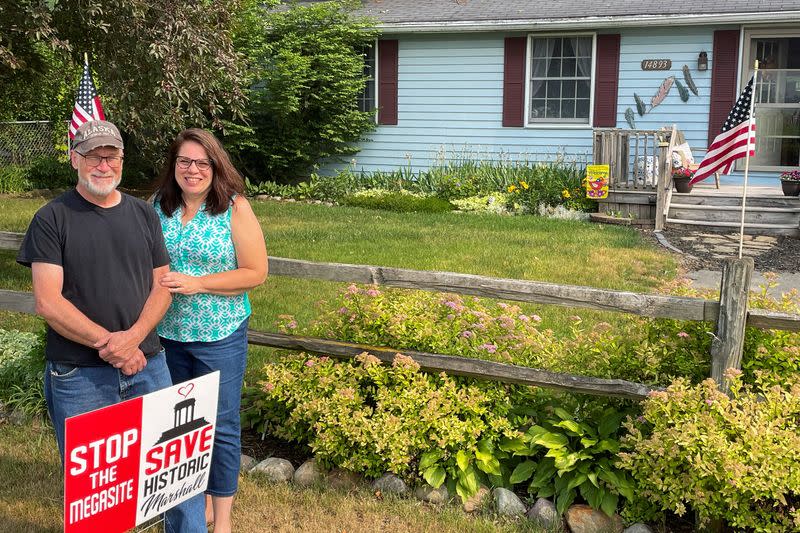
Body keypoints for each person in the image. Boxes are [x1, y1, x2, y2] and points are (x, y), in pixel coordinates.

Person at [16, 120, 205, 532]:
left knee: (177, 478)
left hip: (148, 364)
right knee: (97, 497)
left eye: (111, 156)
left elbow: (162, 286)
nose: (103, 165)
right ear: (74, 159)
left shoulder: (142, 213)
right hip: (80, 374)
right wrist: (113, 345)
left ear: (122, 160)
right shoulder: (52, 218)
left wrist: (134, 340)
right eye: (93, 156)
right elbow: (49, 302)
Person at [152, 128, 267, 533]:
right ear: (174, 166)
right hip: (166, 334)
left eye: (202, 162)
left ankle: (223, 521)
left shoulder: (234, 208)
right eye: (184, 161)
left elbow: (256, 272)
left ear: (215, 166)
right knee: (178, 427)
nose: (192, 169)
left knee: (219, 424)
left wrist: (199, 283)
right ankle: (190, 506)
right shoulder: (157, 207)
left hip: (219, 333)